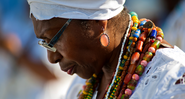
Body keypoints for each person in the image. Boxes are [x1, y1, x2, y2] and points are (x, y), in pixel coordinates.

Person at [27, 0, 185, 99]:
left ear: (97, 21)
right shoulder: (83, 85)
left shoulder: (171, 83)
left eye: (53, 40)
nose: (51, 58)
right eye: (45, 43)